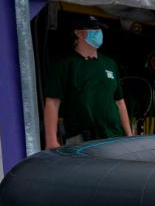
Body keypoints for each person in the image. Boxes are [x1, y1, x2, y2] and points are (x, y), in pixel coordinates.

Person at [43, 15, 134, 149]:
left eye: (99, 29)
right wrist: (51, 140)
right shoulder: (64, 65)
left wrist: (129, 135)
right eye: (92, 28)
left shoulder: (110, 63)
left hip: (115, 137)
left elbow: (119, 102)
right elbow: (52, 102)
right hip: (81, 140)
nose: (98, 32)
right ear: (77, 33)